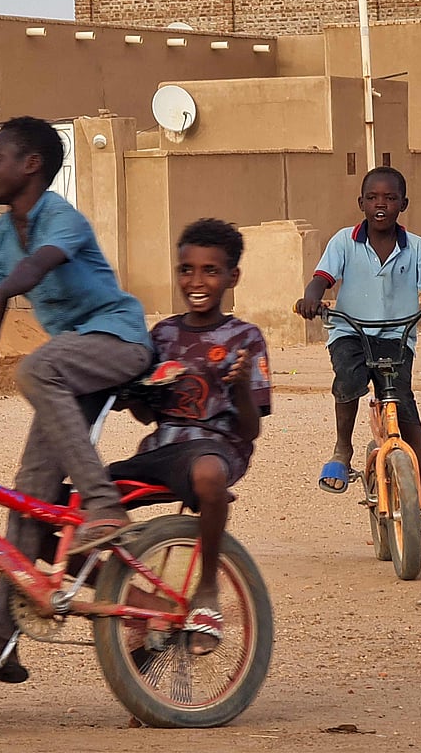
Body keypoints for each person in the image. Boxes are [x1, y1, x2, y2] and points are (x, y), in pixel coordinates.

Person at [0, 116, 153, 682]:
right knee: (30, 495)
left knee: (35, 367)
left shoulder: (60, 218)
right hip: (72, 363)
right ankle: (3, 642)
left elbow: (38, 267)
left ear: (31, 165)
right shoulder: (0, 235)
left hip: (117, 342)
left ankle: (103, 506)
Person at [108, 218, 271, 658]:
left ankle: (206, 590)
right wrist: (134, 386)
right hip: (162, 450)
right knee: (69, 510)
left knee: (207, 472)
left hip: (218, 447)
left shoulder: (245, 339)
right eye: (186, 270)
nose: (195, 281)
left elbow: (250, 429)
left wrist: (238, 384)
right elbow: (146, 416)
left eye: (210, 271)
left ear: (232, 277)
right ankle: (142, 603)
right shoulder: (161, 335)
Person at [295, 166, 421, 527]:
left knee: (406, 409)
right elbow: (319, 281)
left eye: (389, 198)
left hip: (397, 337)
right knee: (350, 381)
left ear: (404, 203)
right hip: (350, 332)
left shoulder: (416, 248)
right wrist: (310, 300)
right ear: (361, 203)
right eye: (372, 198)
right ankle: (342, 450)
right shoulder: (343, 242)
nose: (380, 204)